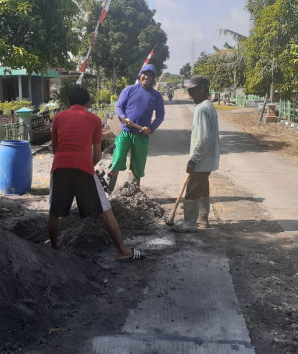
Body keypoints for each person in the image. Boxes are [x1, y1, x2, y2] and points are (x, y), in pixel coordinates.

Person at [48, 87, 142, 261]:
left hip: (59, 167)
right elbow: (98, 155)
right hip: (83, 168)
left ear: (68, 103)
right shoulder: (94, 119)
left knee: (54, 211)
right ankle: (122, 251)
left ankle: (53, 251)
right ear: (88, 104)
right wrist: (86, 167)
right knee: (105, 210)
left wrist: (68, 162)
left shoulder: (58, 117)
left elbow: (55, 148)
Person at [106, 63, 165, 192]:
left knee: (137, 167)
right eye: (145, 74)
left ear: (153, 78)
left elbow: (160, 116)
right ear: (140, 75)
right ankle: (108, 192)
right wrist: (124, 118)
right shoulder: (129, 90)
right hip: (124, 133)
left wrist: (151, 127)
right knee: (117, 160)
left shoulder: (156, 96)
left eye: (150, 75)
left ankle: (132, 195)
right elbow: (119, 107)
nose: (147, 77)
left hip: (142, 135)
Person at [175, 75, 220, 232]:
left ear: (202, 89)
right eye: (189, 90)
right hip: (208, 159)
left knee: (193, 189)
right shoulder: (208, 106)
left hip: (201, 159)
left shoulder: (201, 109)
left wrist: (194, 159)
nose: (190, 94)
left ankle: (188, 224)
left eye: (193, 90)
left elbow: (203, 138)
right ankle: (202, 219)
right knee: (203, 188)